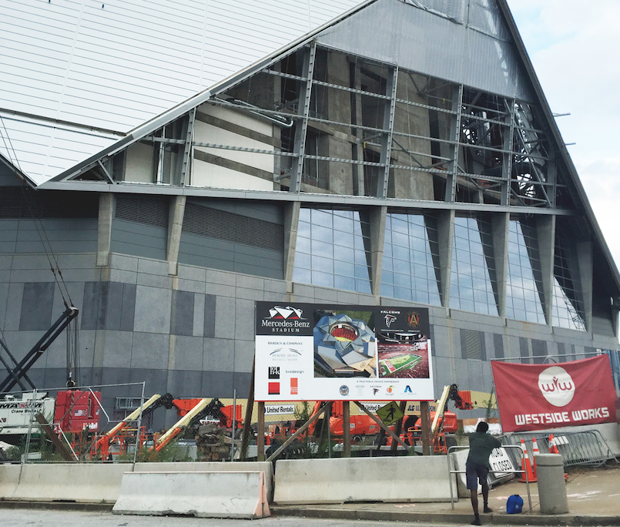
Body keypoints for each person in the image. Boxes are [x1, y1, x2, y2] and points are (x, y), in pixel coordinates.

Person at [466, 421, 501, 525]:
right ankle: (485, 506)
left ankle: (476, 517)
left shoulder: (472, 437)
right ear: (486, 430)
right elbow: (498, 444)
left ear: (477, 428)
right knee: (484, 482)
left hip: (471, 463)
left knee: (473, 489)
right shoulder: (490, 439)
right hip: (483, 463)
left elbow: (472, 440)